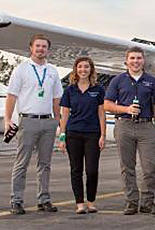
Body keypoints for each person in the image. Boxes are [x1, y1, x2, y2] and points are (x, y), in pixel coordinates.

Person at [4, 34, 63, 214]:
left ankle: (43, 198)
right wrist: (8, 119)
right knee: (22, 162)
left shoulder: (52, 71)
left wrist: (58, 122)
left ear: (48, 50)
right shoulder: (21, 70)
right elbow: (11, 96)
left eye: (44, 47)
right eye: (38, 46)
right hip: (28, 120)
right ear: (31, 48)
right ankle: (17, 200)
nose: (41, 49)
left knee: (45, 163)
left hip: (48, 122)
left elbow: (56, 99)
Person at [103, 47, 155, 215]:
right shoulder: (117, 80)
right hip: (124, 125)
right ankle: (131, 201)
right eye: (132, 58)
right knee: (127, 166)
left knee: (150, 167)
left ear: (143, 61)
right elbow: (107, 104)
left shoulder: (152, 81)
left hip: (146, 126)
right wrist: (126, 109)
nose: (135, 61)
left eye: (138, 58)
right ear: (127, 61)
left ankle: (147, 201)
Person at [56, 57, 106, 214]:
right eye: (80, 67)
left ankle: (91, 201)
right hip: (73, 134)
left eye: (86, 67)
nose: (83, 70)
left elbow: (101, 113)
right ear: (75, 69)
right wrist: (62, 137)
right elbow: (64, 114)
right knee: (76, 170)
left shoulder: (98, 89)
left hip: (92, 134)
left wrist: (103, 135)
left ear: (91, 69)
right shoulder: (70, 90)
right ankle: (80, 203)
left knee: (92, 170)